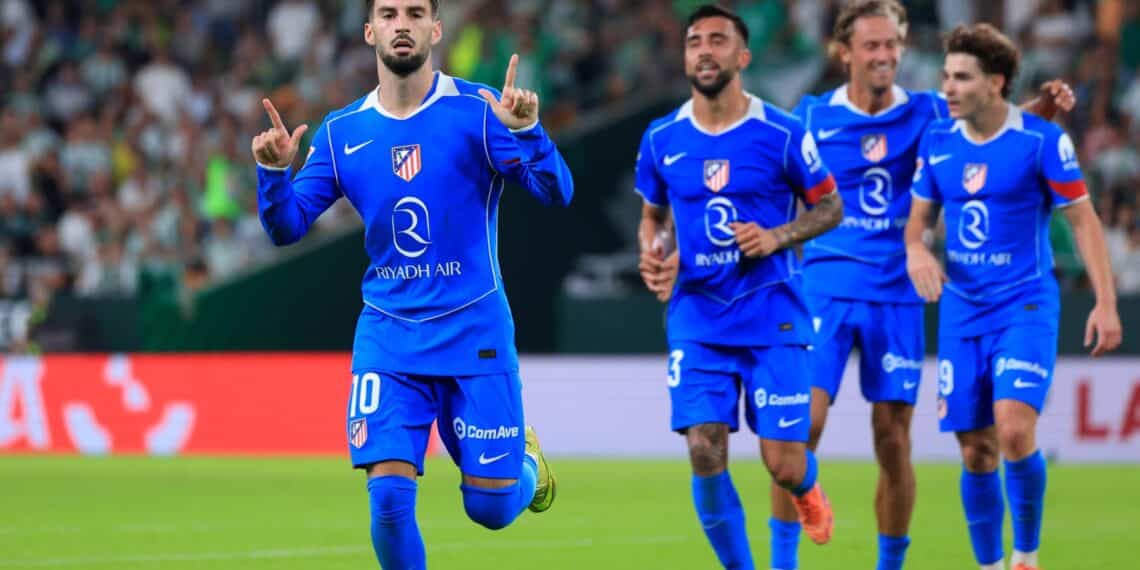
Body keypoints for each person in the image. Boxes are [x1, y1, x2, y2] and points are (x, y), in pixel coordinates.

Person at [251, 0, 573, 567]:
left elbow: (556, 193)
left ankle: (526, 466)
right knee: (390, 499)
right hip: (389, 335)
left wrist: (530, 134)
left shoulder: (478, 110)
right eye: (391, 13)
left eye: (416, 13)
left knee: (491, 510)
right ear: (370, 29)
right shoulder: (342, 131)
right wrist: (275, 174)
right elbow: (287, 226)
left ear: (436, 28)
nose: (404, 23)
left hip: (475, 331)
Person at [905, 23, 1122, 570]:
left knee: (1013, 426)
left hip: (1025, 302)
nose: (948, 88)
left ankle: (1026, 555)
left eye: (961, 78)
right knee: (975, 448)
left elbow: (1084, 221)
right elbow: (917, 227)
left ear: (996, 82)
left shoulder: (1042, 141)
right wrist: (919, 252)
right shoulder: (938, 143)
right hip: (962, 310)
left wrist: (1105, 301)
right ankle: (989, 564)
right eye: (946, 76)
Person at [636, 5, 843, 568]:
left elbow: (830, 205)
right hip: (699, 316)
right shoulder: (662, 138)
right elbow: (654, 216)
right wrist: (653, 254)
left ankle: (807, 487)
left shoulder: (781, 133)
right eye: (694, 41)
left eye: (718, 40)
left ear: (742, 56)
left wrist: (777, 235)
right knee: (704, 447)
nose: (704, 50)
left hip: (772, 313)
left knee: (783, 464)